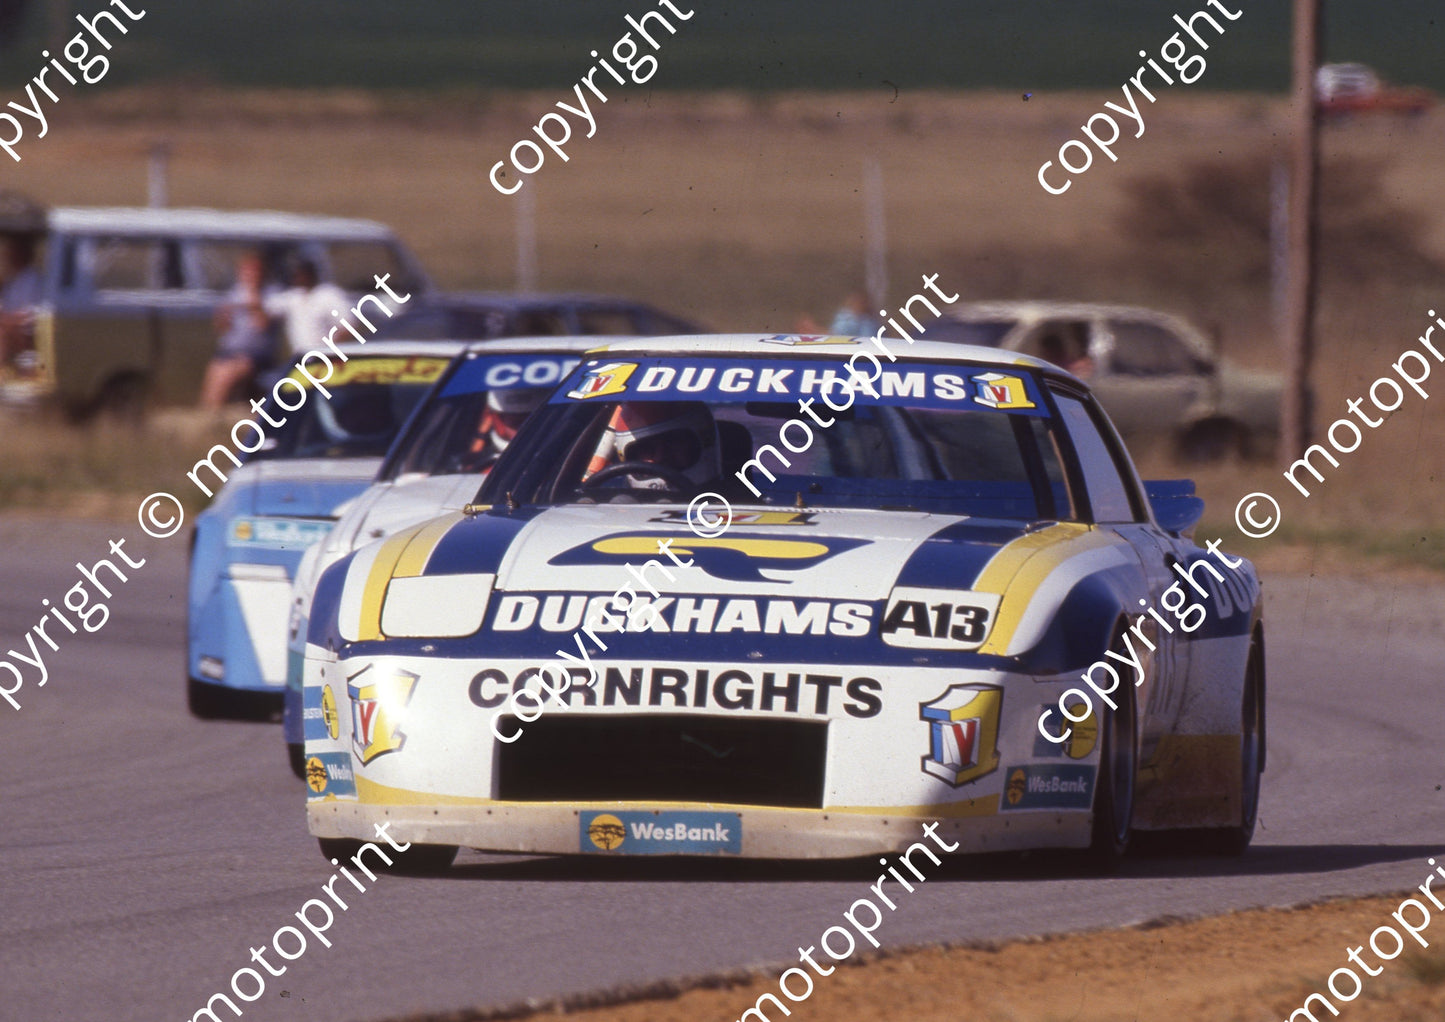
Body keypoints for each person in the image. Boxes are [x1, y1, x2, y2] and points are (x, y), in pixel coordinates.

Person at [199, 252, 280, 410]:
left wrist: (253, 299)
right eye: (247, 271)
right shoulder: (234, 293)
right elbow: (220, 328)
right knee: (215, 370)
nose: (251, 276)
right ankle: (207, 413)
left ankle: (213, 412)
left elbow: (262, 325)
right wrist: (223, 317)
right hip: (229, 351)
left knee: (229, 373)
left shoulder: (272, 295)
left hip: (256, 355)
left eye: (255, 272)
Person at [588, 401, 722, 492]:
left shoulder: (737, 504)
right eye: (646, 449)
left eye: (671, 442)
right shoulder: (608, 505)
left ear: (704, 442)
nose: (659, 457)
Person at [265, 259, 349, 359]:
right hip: (300, 358)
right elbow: (264, 315)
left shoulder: (329, 294)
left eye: (304, 273)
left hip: (328, 357)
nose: (300, 277)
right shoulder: (292, 297)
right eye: (297, 274)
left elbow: (348, 327)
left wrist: (328, 350)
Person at [0, 235, 42, 367]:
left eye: (11, 252)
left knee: (3, 330)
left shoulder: (32, 278)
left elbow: (29, 311)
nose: (7, 256)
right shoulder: (13, 279)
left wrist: (7, 319)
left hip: (27, 324)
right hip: (12, 320)